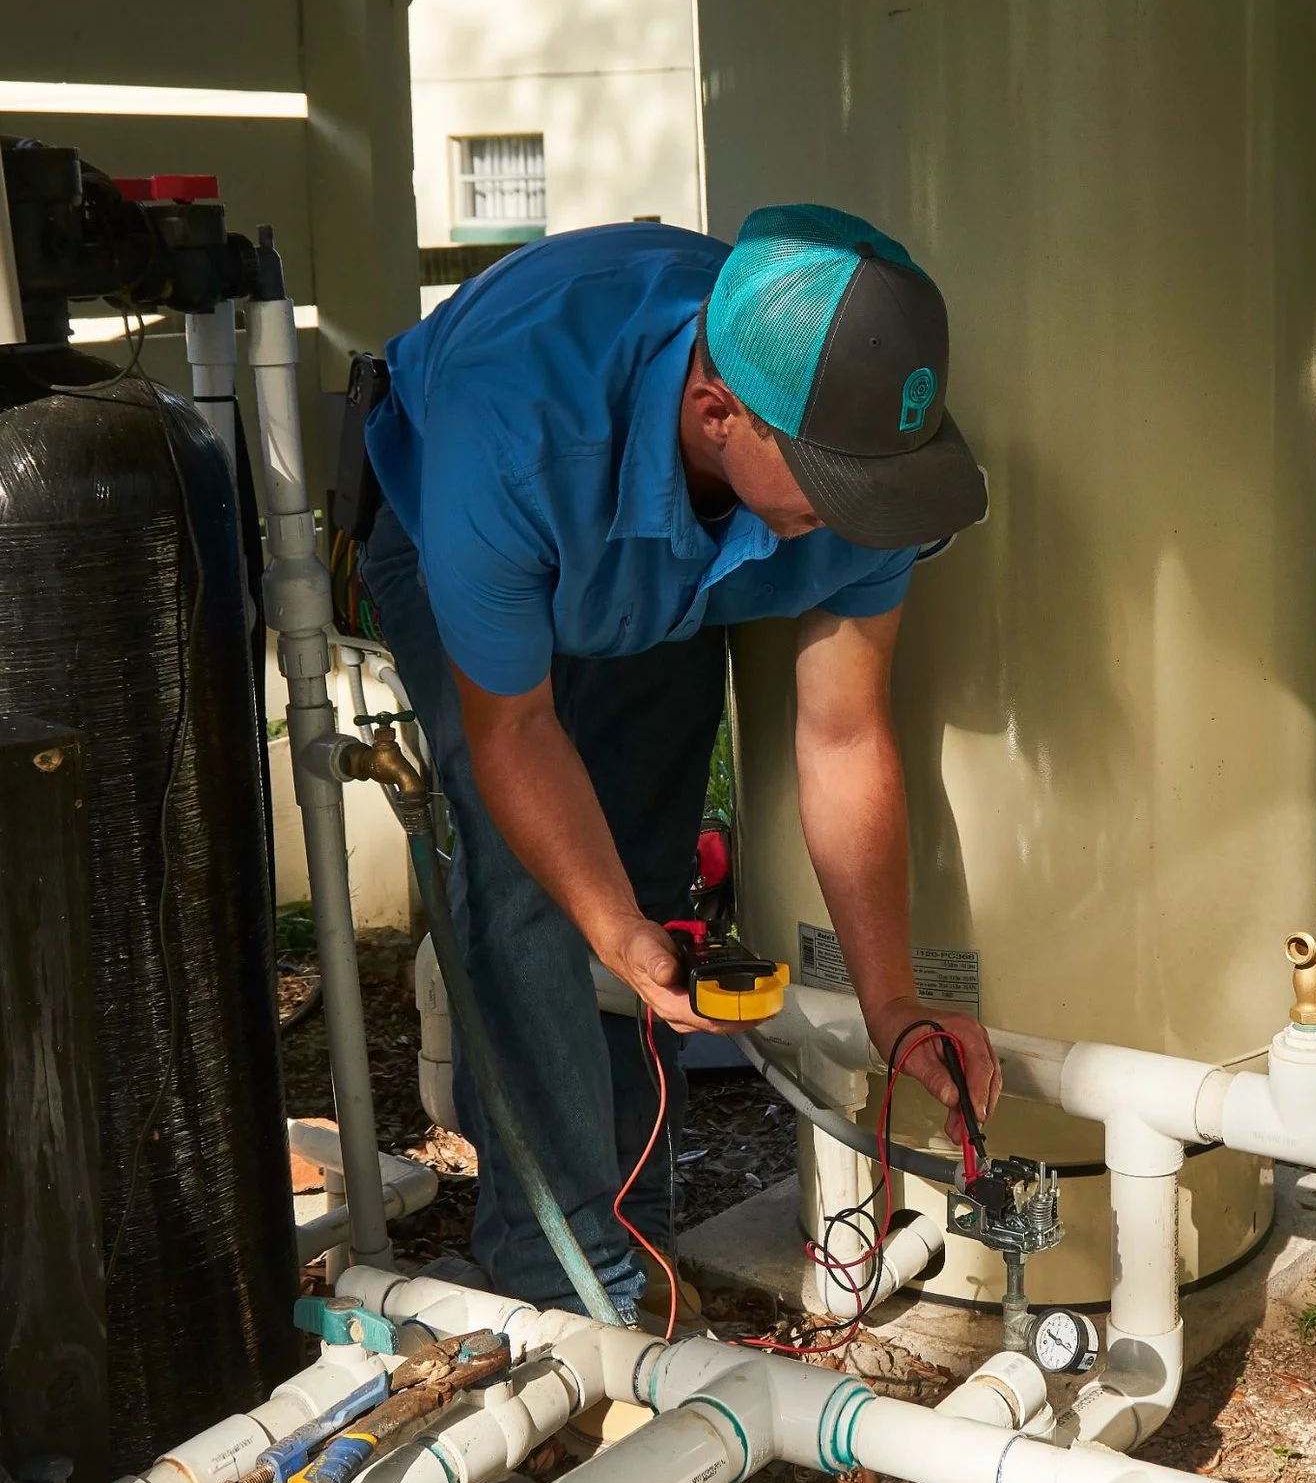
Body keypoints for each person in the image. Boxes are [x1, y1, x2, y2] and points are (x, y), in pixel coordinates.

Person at [359, 203, 1003, 1322]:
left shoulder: (839, 481)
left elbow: (843, 733)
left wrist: (894, 1000)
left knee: (647, 871)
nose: (862, 517)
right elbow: (516, 733)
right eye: (835, 485)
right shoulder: (511, 442)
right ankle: (561, 1272)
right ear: (718, 414)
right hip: (483, 522)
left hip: (667, 540)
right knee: (536, 895)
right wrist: (605, 925)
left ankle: (635, 1227)